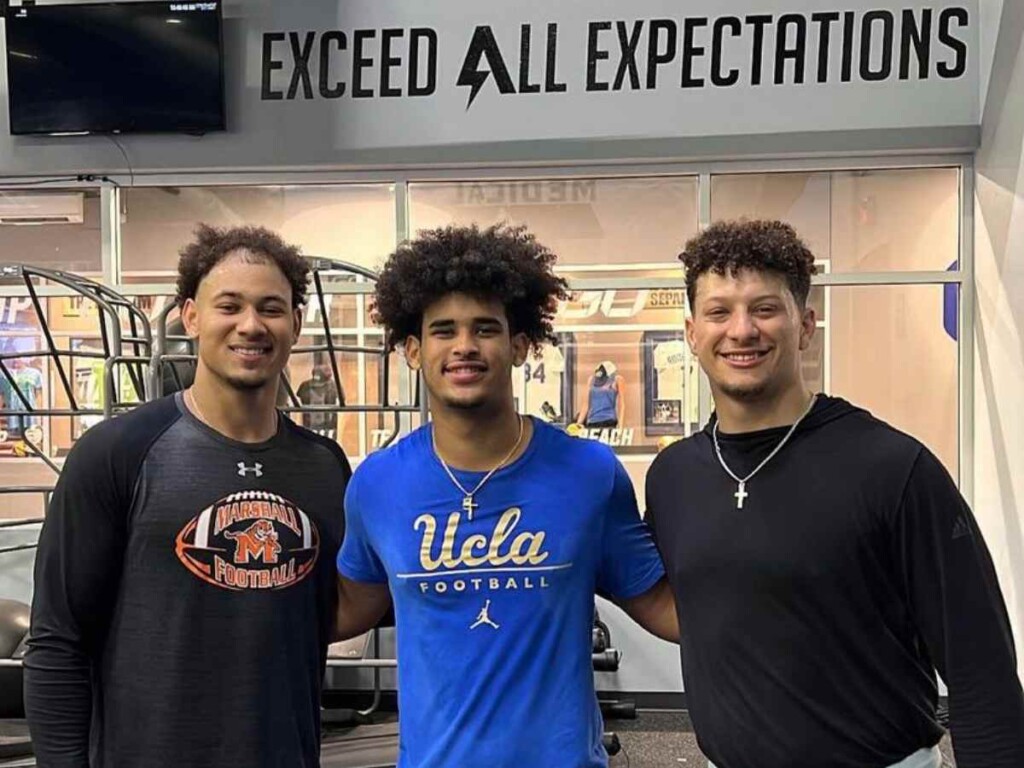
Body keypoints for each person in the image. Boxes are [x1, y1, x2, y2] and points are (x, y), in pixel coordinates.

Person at [646, 219, 1024, 768]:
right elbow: (703, 606)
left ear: (805, 324)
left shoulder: (893, 468)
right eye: (719, 311)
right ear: (691, 332)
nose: (742, 330)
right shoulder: (674, 477)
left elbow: (980, 666)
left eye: (765, 308)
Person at [334, 222, 678, 767]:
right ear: (413, 350)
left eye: (485, 329)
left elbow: (661, 604)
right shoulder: (376, 485)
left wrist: (791, 604)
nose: (464, 347)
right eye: (444, 330)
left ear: (519, 346)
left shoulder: (589, 473)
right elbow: (348, 606)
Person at [24, 224, 352, 768]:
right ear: (190, 316)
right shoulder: (117, 452)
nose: (251, 325)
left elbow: (344, 607)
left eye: (271, 308)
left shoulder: (323, 466)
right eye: (230, 306)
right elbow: (58, 642)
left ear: (295, 324)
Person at [577, 360, 625, 429]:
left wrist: (620, 425)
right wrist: (578, 423)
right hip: (592, 421)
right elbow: (586, 404)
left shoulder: (617, 379)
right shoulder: (591, 380)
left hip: (609, 420)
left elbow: (621, 404)